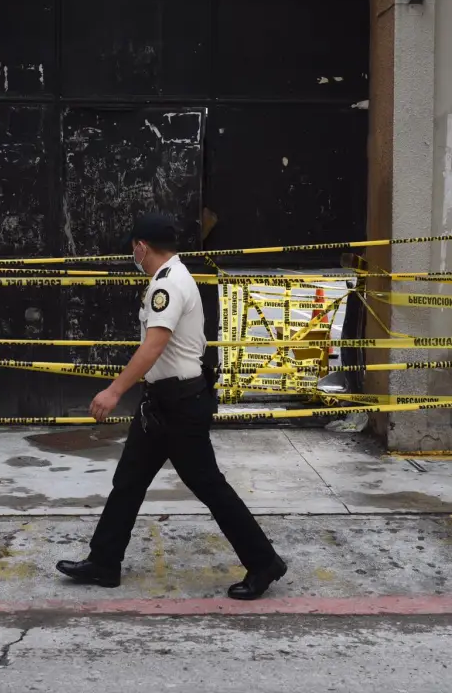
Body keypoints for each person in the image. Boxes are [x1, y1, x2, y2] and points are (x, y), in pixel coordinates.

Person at [56, 213, 287, 600]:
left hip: (180, 407)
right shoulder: (168, 280)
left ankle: (264, 562)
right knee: (128, 481)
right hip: (160, 404)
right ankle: (104, 562)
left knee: (209, 486)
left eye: (134, 248)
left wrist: (114, 391)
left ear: (141, 246)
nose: (134, 253)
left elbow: (154, 344)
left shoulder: (169, 284)